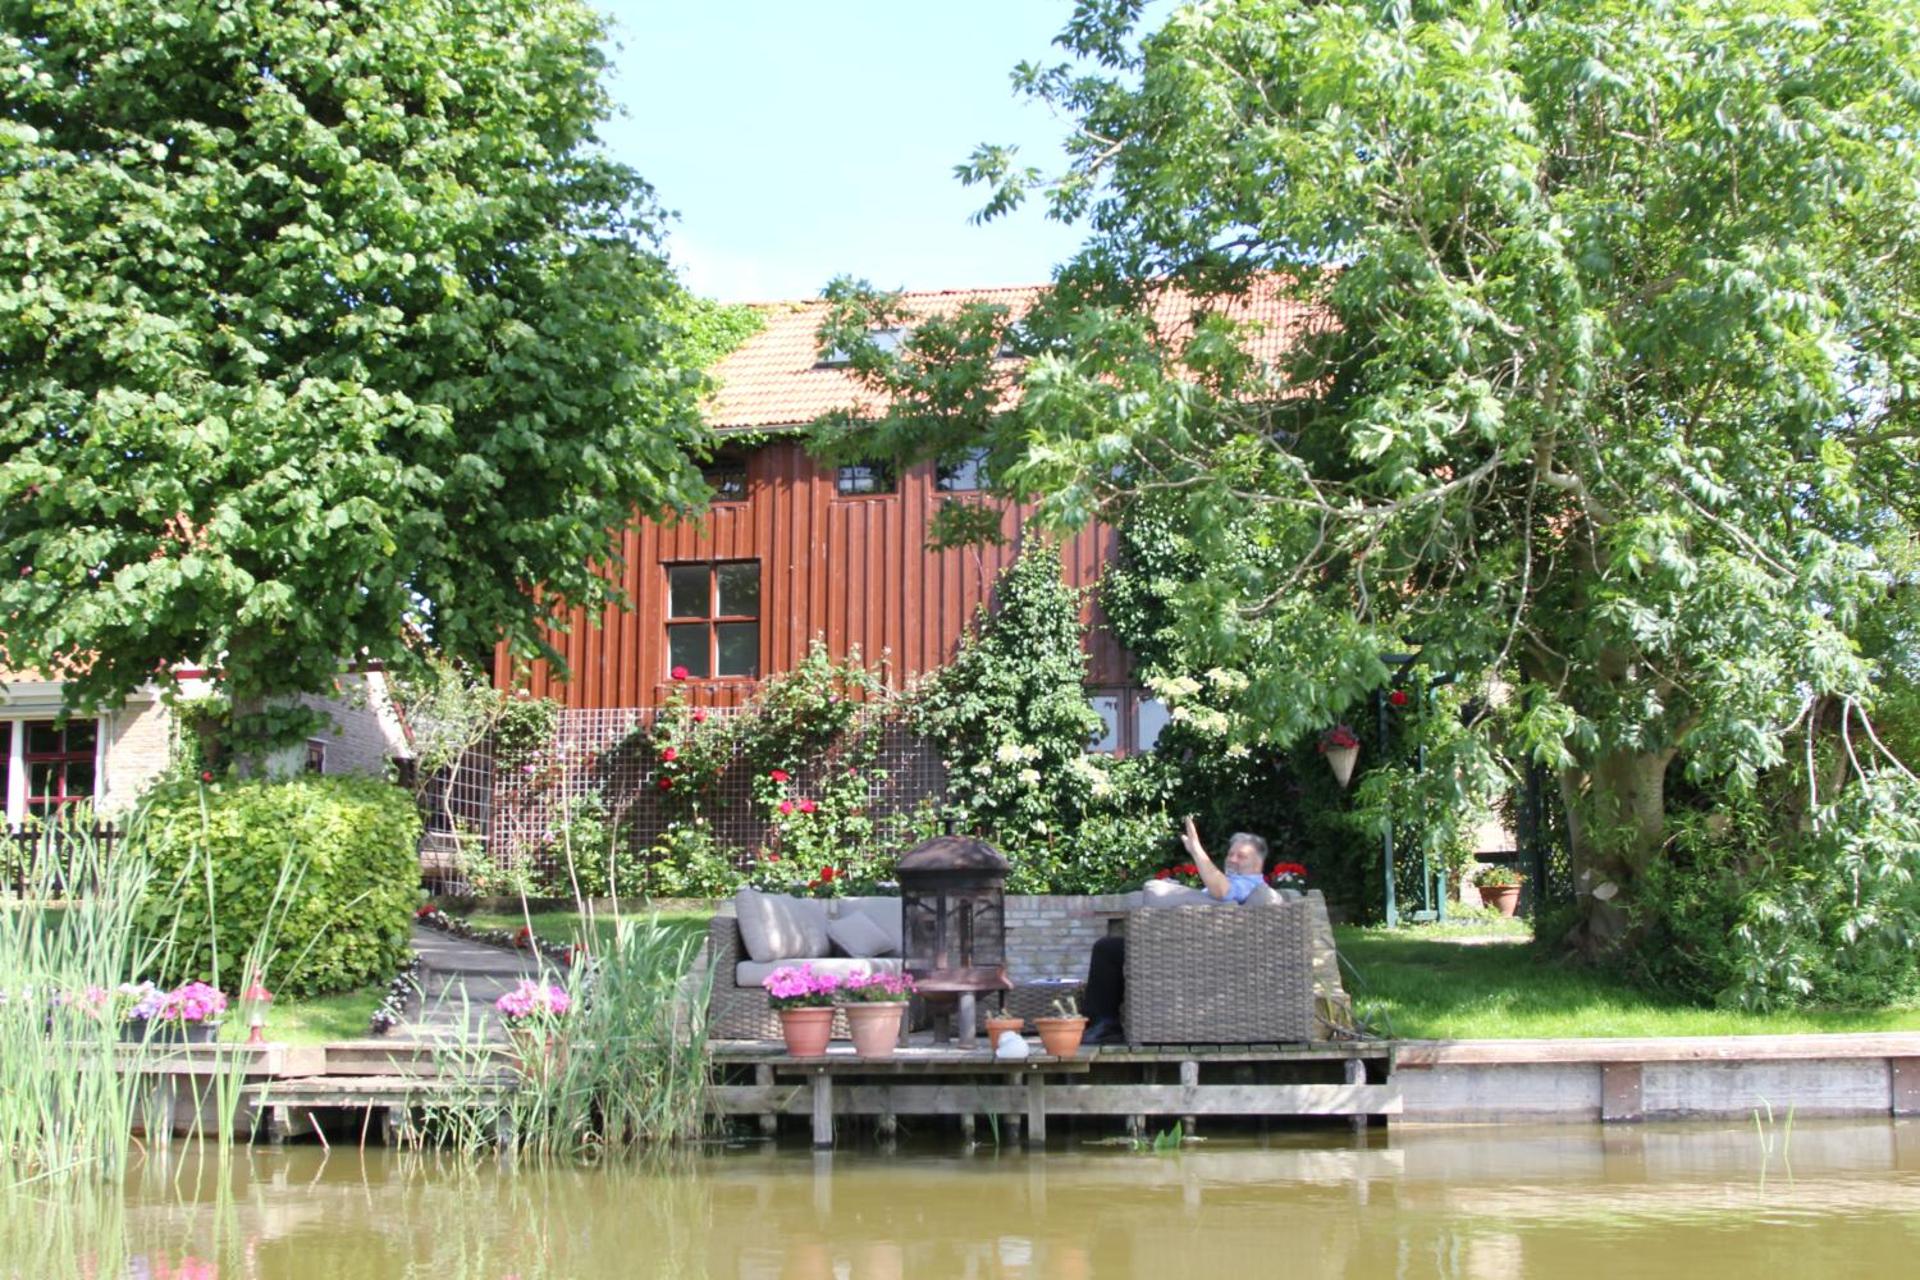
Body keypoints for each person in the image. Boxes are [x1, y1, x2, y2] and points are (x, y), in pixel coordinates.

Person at [1081, 818, 1268, 1045]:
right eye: (1231, 854)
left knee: (1107, 950)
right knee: (1115, 949)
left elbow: (1221, 891)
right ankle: (1106, 1023)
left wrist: (1196, 850)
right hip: (1190, 949)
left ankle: (1106, 1024)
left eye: (1241, 856)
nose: (1232, 859)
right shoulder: (1238, 883)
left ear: (1258, 864)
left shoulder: (1248, 884)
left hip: (1191, 956)